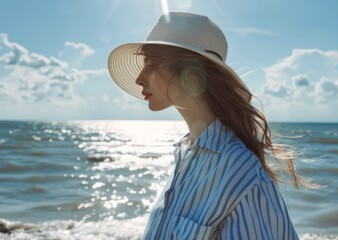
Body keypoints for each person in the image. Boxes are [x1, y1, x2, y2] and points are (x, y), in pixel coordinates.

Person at [108, 11, 309, 240]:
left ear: (192, 74)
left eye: (152, 65)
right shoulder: (184, 155)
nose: (139, 78)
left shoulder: (241, 172)